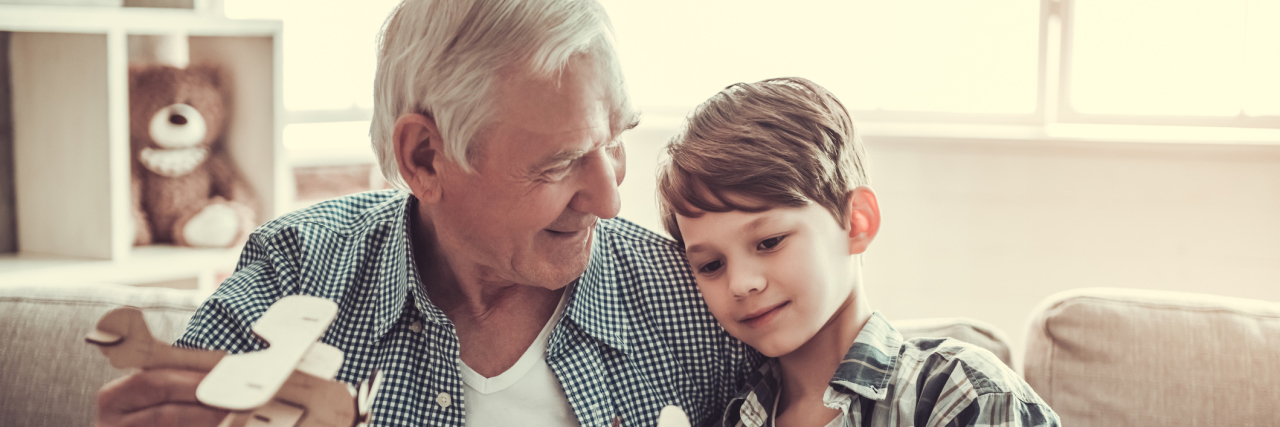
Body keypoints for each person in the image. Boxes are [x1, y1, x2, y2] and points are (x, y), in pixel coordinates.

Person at [94, 1, 757, 426]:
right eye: (559, 163)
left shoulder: (693, 301)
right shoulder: (298, 269)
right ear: (424, 157)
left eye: (614, 143)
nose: (609, 200)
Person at [655, 77, 1060, 427]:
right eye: (711, 265)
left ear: (857, 222)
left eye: (770, 242)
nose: (741, 283)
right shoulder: (735, 415)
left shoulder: (959, 390)